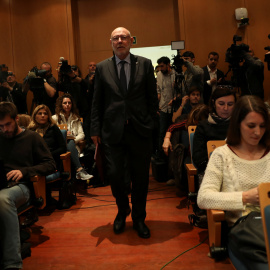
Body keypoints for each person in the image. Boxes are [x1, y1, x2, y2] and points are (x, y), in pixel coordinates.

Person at [91, 27, 158, 238]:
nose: (120, 41)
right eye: (116, 38)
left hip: (140, 130)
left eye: (124, 37)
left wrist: (152, 124)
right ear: (111, 42)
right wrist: (94, 129)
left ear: (131, 41)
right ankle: (122, 210)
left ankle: (139, 218)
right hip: (112, 131)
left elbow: (151, 98)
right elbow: (97, 102)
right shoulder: (102, 68)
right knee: (115, 175)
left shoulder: (145, 64)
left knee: (140, 178)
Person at [198, 95, 270, 269]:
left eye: (262, 126)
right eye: (251, 126)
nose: (257, 132)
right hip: (245, 227)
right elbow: (204, 198)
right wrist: (245, 197)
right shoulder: (223, 155)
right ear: (238, 124)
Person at [0, 102, 56, 270]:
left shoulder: (32, 138)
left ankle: (12, 263)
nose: (5, 130)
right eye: (0, 126)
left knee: (2, 199)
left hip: (23, 186)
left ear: (17, 119)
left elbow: (50, 164)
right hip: (3, 183)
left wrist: (24, 171)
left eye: (8, 124)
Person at [192, 86, 237, 175]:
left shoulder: (239, 125)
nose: (225, 108)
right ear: (213, 103)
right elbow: (198, 159)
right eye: (221, 104)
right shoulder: (203, 126)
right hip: (210, 171)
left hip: (236, 171)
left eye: (230, 104)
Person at [53, 93, 93, 181]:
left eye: (69, 103)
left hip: (74, 146)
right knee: (68, 141)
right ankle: (79, 170)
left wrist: (73, 140)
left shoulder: (76, 118)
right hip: (60, 146)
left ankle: (78, 171)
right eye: (65, 103)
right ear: (61, 105)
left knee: (70, 142)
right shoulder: (55, 118)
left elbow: (82, 134)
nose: (67, 105)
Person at [28, 104, 66, 171]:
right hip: (35, 161)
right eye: (40, 113)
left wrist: (48, 155)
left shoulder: (53, 128)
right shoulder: (31, 130)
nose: (43, 116)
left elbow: (63, 148)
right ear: (35, 116)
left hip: (51, 160)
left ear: (48, 116)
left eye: (45, 114)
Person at [156, 56, 176, 159]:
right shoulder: (159, 74)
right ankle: (161, 157)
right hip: (163, 108)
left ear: (168, 65)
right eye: (159, 66)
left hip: (175, 109)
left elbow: (181, 93)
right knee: (162, 132)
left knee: (173, 132)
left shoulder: (175, 74)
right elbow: (159, 91)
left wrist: (175, 99)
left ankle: (172, 157)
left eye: (162, 66)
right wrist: (156, 106)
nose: (160, 68)